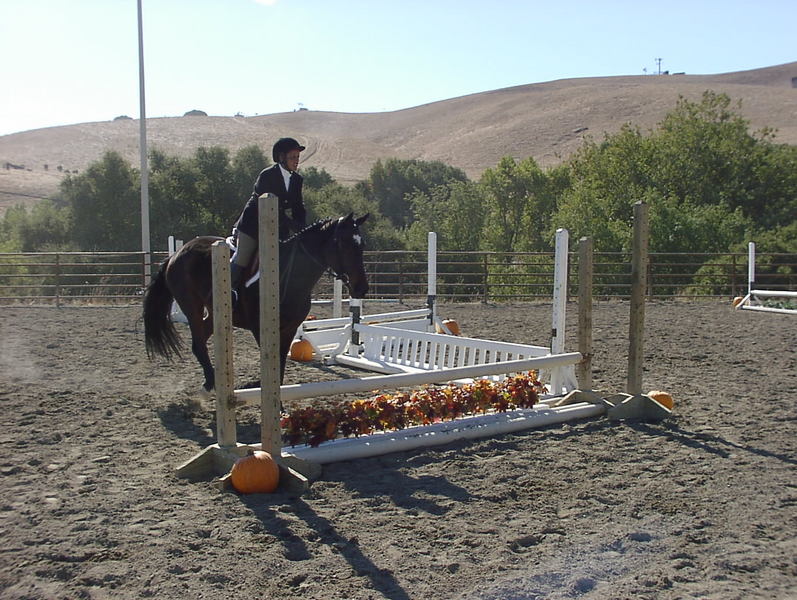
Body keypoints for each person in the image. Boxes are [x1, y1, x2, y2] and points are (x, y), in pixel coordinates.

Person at [229, 137, 307, 295]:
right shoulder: (267, 175)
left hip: (276, 227)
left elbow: (298, 207)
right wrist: (290, 223)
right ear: (281, 157)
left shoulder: (297, 180)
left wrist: (303, 228)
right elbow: (267, 205)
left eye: (298, 157)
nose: (296, 161)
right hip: (252, 225)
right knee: (242, 256)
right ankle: (227, 291)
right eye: (293, 157)